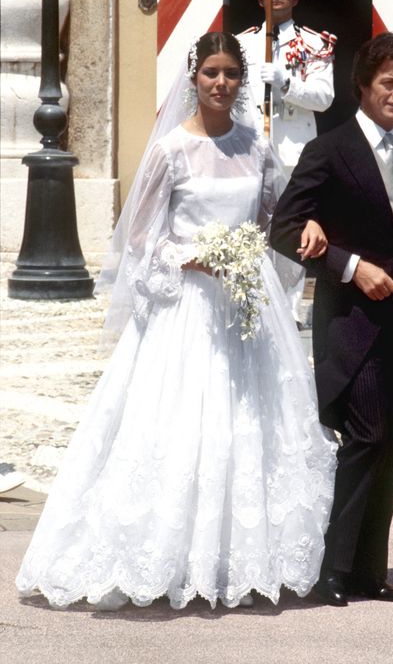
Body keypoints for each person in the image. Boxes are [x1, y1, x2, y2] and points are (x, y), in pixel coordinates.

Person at [16, 32, 337, 611]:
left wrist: (297, 232)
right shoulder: (170, 151)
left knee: (249, 426)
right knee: (182, 425)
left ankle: (234, 559)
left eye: (231, 74)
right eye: (211, 72)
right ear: (193, 79)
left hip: (245, 304)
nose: (220, 83)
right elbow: (140, 239)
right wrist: (190, 258)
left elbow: (271, 220)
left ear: (242, 83)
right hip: (186, 306)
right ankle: (161, 557)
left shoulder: (256, 146)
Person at [270, 32, 393, 607]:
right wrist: (349, 265)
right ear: (363, 85)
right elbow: (283, 228)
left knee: (392, 443)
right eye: (389, 83)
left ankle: (368, 571)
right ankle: (333, 568)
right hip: (349, 323)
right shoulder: (328, 150)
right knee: (365, 437)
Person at [237, 0, 336, 323]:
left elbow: (324, 98)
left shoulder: (314, 44)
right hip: (251, 148)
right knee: (253, 224)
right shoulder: (242, 43)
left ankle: (291, 305)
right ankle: (254, 299)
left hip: (294, 152)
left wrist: (286, 83)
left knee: (292, 226)